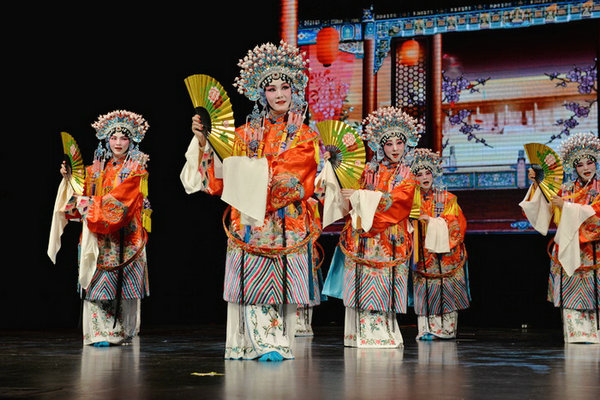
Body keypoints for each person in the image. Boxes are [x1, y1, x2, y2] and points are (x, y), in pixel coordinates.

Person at [180, 41, 321, 360]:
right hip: (248, 224)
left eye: (285, 86)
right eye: (271, 89)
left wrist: (252, 171)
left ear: (295, 89)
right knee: (252, 287)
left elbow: (293, 177)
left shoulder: (305, 135)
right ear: (262, 93)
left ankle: (274, 342)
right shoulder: (241, 134)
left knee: (281, 289)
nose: (280, 94)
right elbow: (218, 181)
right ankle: (251, 343)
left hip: (286, 223)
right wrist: (205, 143)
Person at [50, 110, 151, 346]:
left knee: (125, 286)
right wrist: (69, 179)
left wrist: (90, 205)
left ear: (131, 141)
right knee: (98, 283)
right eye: (113, 138)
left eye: (124, 138)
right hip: (98, 238)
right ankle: (99, 333)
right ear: (106, 140)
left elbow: (121, 201)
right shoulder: (93, 171)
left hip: (127, 236)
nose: (118, 143)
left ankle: (124, 331)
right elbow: (74, 201)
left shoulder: (137, 170)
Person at [323, 106, 420, 348]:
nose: (395, 148)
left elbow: (399, 202)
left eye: (400, 142)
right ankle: (358, 334)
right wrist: (333, 168)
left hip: (390, 238)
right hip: (362, 239)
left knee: (385, 283)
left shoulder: (407, 175)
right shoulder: (366, 170)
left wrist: (363, 196)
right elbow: (346, 195)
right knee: (361, 282)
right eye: (389, 144)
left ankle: (384, 333)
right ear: (380, 146)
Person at [520, 132, 600, 343]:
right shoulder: (564, 189)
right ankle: (576, 335)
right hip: (568, 246)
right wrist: (538, 184)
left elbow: (596, 215)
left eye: (589, 162)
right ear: (574, 167)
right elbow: (542, 211)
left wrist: (567, 207)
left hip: (595, 251)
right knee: (573, 294)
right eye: (580, 164)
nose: (586, 168)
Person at [409, 148, 470, 340]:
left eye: (428, 173)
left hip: (445, 256)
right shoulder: (409, 201)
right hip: (422, 253)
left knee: (447, 289)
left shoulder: (448, 198)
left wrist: (432, 221)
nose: (424, 177)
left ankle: (447, 330)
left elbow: (457, 225)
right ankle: (427, 329)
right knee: (426, 290)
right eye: (419, 174)